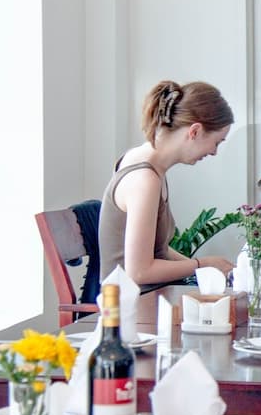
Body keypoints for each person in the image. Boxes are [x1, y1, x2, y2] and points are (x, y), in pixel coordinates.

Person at [98, 80, 236, 285]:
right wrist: (202, 264)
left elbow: (157, 249)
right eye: (216, 142)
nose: (214, 152)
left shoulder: (148, 164)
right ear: (195, 131)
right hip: (134, 301)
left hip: (147, 294)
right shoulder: (144, 180)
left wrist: (205, 268)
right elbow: (139, 272)